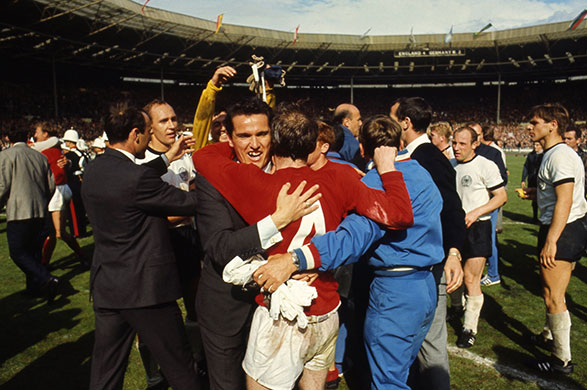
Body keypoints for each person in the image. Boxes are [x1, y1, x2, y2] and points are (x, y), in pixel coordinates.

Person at [193, 105, 413, 390]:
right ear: (313, 145)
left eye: (263, 134)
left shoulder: (255, 183)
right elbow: (400, 214)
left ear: (275, 140)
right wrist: (388, 171)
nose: (255, 144)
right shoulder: (342, 178)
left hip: (281, 315)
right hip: (325, 308)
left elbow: (203, 156)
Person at [257, 115, 444, 390]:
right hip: (426, 285)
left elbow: (353, 238)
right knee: (402, 371)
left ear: (362, 148)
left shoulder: (377, 181)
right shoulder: (420, 171)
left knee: (388, 381)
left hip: (396, 289)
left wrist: (297, 258)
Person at [194, 98, 319, 390]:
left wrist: (309, 261)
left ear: (273, 134)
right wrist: (277, 221)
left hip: (284, 308)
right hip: (228, 308)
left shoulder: (294, 173)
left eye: (261, 134)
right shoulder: (214, 179)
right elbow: (219, 247)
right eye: (244, 136)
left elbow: (323, 228)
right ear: (228, 137)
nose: (254, 144)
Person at [83, 106, 201, 390]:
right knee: (181, 369)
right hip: (147, 292)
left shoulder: (95, 168)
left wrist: (166, 158)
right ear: (135, 134)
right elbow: (190, 203)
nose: (150, 138)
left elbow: (131, 175)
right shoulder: (136, 179)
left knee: (106, 372)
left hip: (108, 287)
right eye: (148, 133)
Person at [391, 97, 465, 390]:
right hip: (422, 262)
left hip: (428, 265)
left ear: (406, 122)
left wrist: (454, 252)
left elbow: (452, 209)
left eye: (393, 119)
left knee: (428, 346)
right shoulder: (423, 155)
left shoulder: (427, 158)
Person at [523, 104, 586, 374]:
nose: (529, 127)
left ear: (553, 125)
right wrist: (536, 195)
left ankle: (562, 360)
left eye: (535, 122)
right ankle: (550, 337)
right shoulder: (552, 154)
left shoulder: (560, 155)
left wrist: (552, 240)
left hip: (563, 229)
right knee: (550, 292)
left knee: (554, 296)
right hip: (562, 226)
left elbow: (565, 199)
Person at [451, 126, 507, 348]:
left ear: (475, 144)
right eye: (455, 143)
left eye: (462, 144)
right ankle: (456, 309)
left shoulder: (486, 165)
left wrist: (476, 212)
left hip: (478, 228)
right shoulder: (450, 165)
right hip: (456, 228)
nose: (457, 148)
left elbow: (500, 196)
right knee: (452, 274)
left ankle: (469, 329)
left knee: (471, 278)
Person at [0, 127, 59, 301]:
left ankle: (46, 278)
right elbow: (51, 185)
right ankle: (34, 288)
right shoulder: (39, 156)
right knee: (33, 251)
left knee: (18, 251)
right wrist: (43, 201)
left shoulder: (6, 156)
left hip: (19, 211)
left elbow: (2, 186)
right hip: (40, 210)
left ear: (8, 137)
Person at [32, 123, 86, 266]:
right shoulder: (54, 149)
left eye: (37, 132)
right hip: (56, 191)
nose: (35, 135)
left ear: (46, 134)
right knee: (53, 233)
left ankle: (80, 256)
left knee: (58, 233)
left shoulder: (47, 150)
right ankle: (46, 264)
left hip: (57, 192)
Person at [467, 122, 507, 287]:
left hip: (488, 203)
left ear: (481, 135)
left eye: (476, 134)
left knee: (489, 237)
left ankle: (493, 273)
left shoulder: (492, 153)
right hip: (470, 205)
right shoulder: (461, 155)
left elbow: (502, 179)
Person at [63, 128, 88, 238]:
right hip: (81, 181)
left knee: (73, 210)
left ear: (69, 141)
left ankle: (76, 232)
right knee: (81, 209)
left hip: (73, 182)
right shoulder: (82, 153)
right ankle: (82, 230)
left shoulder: (70, 156)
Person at [522, 141, 544, 222]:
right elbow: (526, 167)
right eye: (534, 144)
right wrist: (523, 179)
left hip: (541, 181)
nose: (535, 146)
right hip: (532, 180)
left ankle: (542, 217)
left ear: (541, 146)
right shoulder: (530, 155)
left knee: (541, 199)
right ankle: (535, 217)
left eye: (537, 145)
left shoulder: (544, 155)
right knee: (534, 199)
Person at [563, 127, 587, 197]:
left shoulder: (584, 158)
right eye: (564, 138)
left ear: (578, 140)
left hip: (578, 200)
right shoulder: (558, 157)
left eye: (569, 139)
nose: (565, 141)